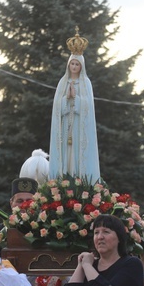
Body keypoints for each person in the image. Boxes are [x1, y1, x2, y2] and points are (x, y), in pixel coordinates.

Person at [49, 29, 99, 182]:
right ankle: (64, 178)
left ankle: (80, 179)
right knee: (65, 152)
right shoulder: (62, 82)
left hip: (79, 126)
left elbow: (88, 107)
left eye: (77, 64)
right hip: (65, 125)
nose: (74, 66)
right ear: (68, 65)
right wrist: (66, 97)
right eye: (72, 63)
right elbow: (57, 107)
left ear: (81, 66)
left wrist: (76, 98)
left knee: (78, 152)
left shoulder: (86, 83)